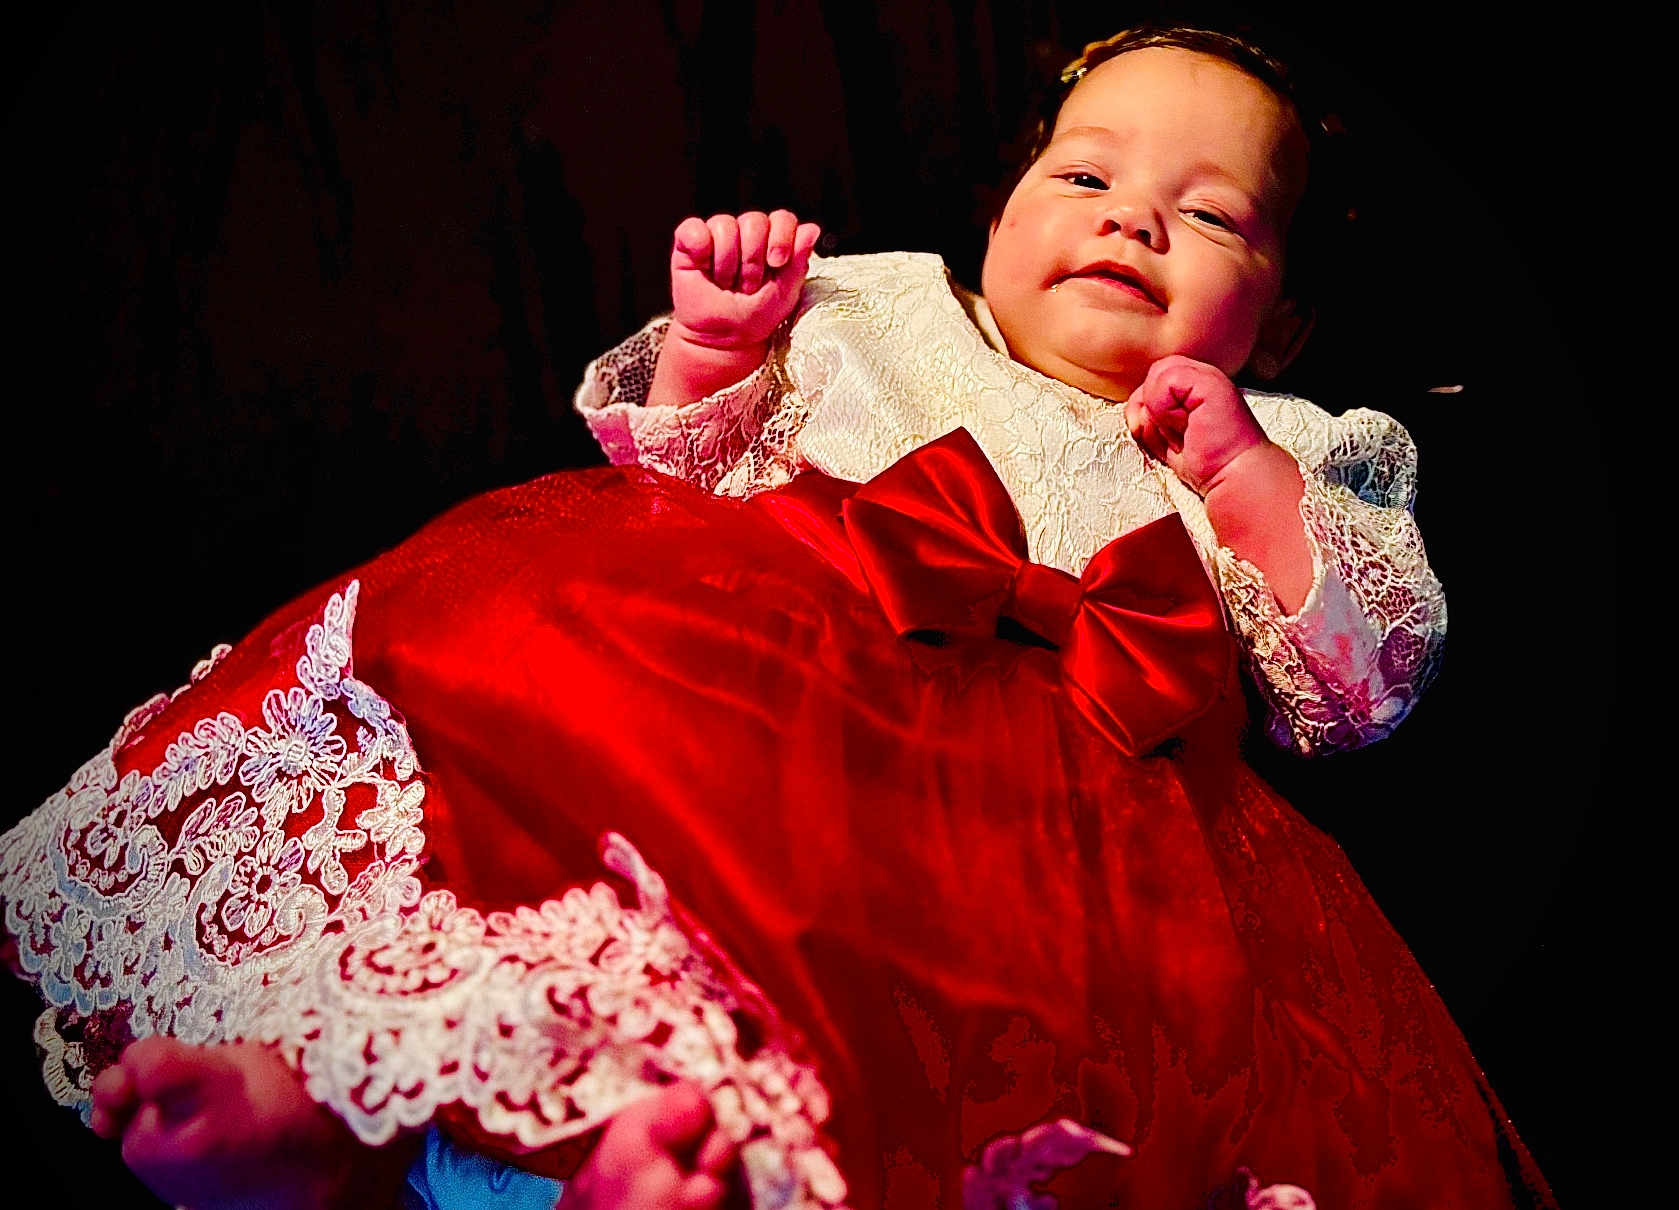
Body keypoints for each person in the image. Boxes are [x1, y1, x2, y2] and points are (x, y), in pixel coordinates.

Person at [0, 24, 1550, 1210]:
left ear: (1278, 321)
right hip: (764, 705)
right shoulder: (882, 315)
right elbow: (680, 483)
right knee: (529, 790)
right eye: (1086, 176)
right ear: (1000, 218)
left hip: (1083, 854)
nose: (1133, 222)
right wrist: (716, 347)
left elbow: (1362, 688)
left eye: (1208, 216)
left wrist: (1253, 475)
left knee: (960, 1064)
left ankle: (658, 1160)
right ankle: (323, 1092)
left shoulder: (1276, 447)